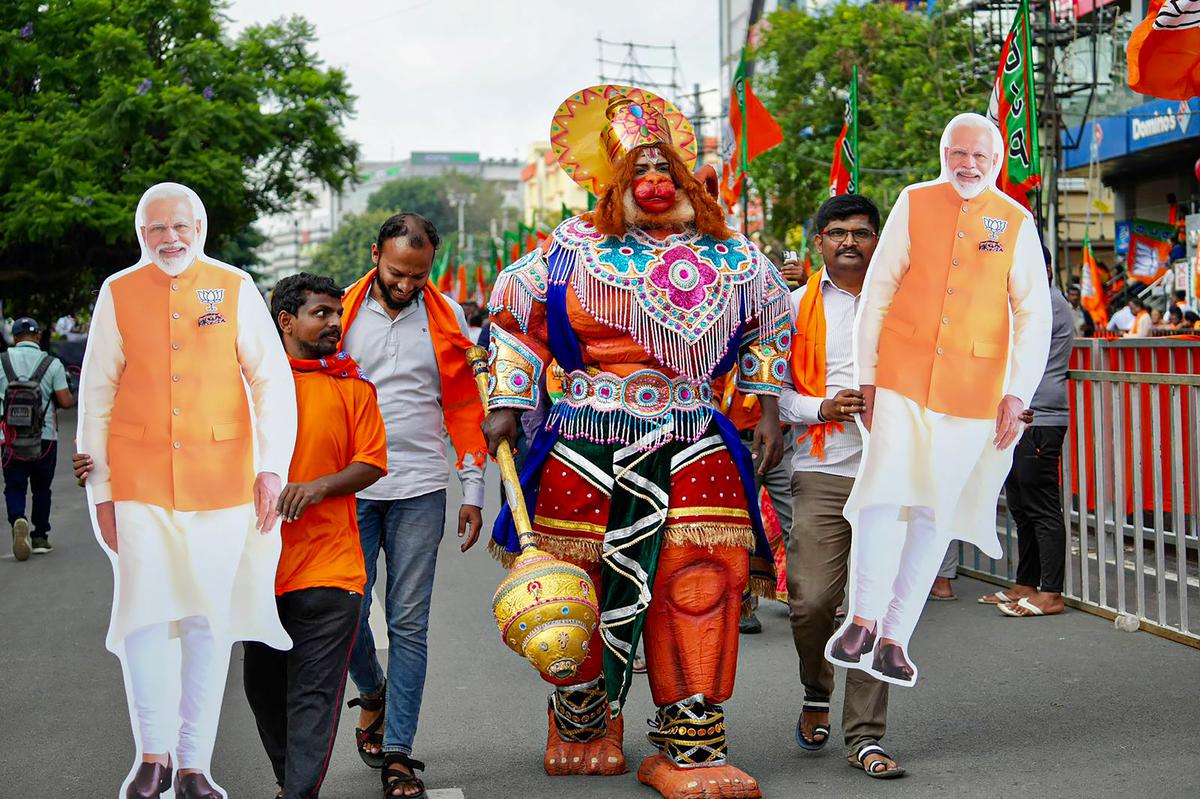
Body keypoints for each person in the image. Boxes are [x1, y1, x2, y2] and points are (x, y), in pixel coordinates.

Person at [483, 86, 789, 799]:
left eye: (665, 170)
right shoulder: (571, 250)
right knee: (576, 580)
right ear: (615, 184)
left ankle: (690, 740)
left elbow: (770, 323)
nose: (654, 183)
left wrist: (767, 405)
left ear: (686, 179)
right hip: (587, 434)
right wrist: (508, 398)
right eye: (639, 172)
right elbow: (510, 315)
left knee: (702, 579)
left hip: (693, 431)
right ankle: (583, 719)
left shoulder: (733, 254)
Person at [78, 182, 297, 799]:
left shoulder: (232, 286)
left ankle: (194, 764)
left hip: (223, 481)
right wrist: (101, 494)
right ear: (140, 234)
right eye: (155, 229)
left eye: (180, 227)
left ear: (199, 228)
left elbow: (270, 382)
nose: (169, 239)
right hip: (140, 480)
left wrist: (270, 468)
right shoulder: (117, 292)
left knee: (208, 620)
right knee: (146, 619)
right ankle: (153, 757)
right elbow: (96, 397)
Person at [828, 113, 1051, 687]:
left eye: (980, 155)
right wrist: (869, 376)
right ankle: (863, 618)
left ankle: (896, 636)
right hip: (901, 377)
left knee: (934, 515)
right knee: (883, 498)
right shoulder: (914, 201)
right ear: (944, 153)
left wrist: (1015, 393)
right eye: (959, 152)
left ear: (996, 161)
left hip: (973, 393)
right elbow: (878, 292)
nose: (968, 164)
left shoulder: (1016, 221)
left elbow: (1033, 315)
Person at [338, 212, 487, 799]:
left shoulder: (447, 320)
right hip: (349, 488)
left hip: (421, 489)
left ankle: (399, 752)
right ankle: (371, 689)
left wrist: (473, 490)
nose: (406, 285)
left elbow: (464, 408)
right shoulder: (339, 315)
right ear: (376, 253)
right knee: (342, 612)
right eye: (398, 272)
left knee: (409, 625)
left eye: (419, 276)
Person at [244, 273, 388, 799]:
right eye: (320, 314)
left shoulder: (352, 387)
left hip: (331, 570)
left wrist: (319, 487)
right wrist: (100, 462)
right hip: (260, 570)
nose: (334, 323)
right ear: (286, 321)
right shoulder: (247, 389)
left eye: (336, 313)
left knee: (312, 696)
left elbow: (371, 462)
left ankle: (298, 793)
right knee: (262, 688)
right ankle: (291, 782)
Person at [779, 193, 903, 778]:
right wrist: (821, 406)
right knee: (811, 603)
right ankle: (814, 687)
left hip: (890, 471)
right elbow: (772, 391)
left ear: (878, 241)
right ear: (819, 242)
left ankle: (866, 736)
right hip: (822, 469)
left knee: (871, 608)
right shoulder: (791, 305)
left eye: (861, 232)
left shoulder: (905, 306)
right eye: (837, 232)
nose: (849, 241)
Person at [980, 247, 1072, 617]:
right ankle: (1026, 583)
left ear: (1043, 269)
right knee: (1020, 504)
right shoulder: (1032, 302)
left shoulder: (1047, 304)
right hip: (1021, 417)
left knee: (1041, 505)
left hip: (1040, 417)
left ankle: (1051, 593)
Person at [2, 317, 74, 559]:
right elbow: (64, 401)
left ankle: (18, 519)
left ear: (14, 337)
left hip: (9, 438)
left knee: (14, 485)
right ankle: (40, 536)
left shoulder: (1, 362)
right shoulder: (52, 363)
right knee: (42, 489)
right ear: (38, 336)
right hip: (45, 437)